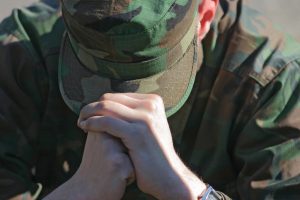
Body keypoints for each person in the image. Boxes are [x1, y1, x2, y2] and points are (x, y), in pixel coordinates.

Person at [1, 0, 300, 199]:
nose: (122, 98)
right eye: (96, 71)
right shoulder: (18, 56)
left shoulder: (272, 81)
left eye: (151, 73)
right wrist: (78, 192)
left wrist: (185, 188)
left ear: (204, 16)